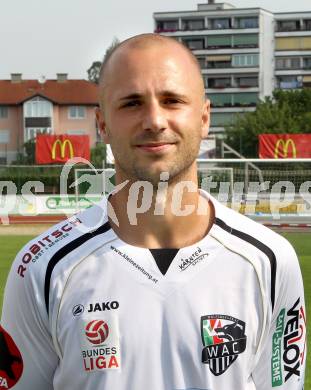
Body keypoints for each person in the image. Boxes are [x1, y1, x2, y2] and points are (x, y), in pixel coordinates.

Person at [0, 34, 306, 389]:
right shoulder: (42, 268)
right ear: (102, 125)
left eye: (172, 100)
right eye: (131, 104)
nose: (155, 120)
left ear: (204, 118)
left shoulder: (270, 261)